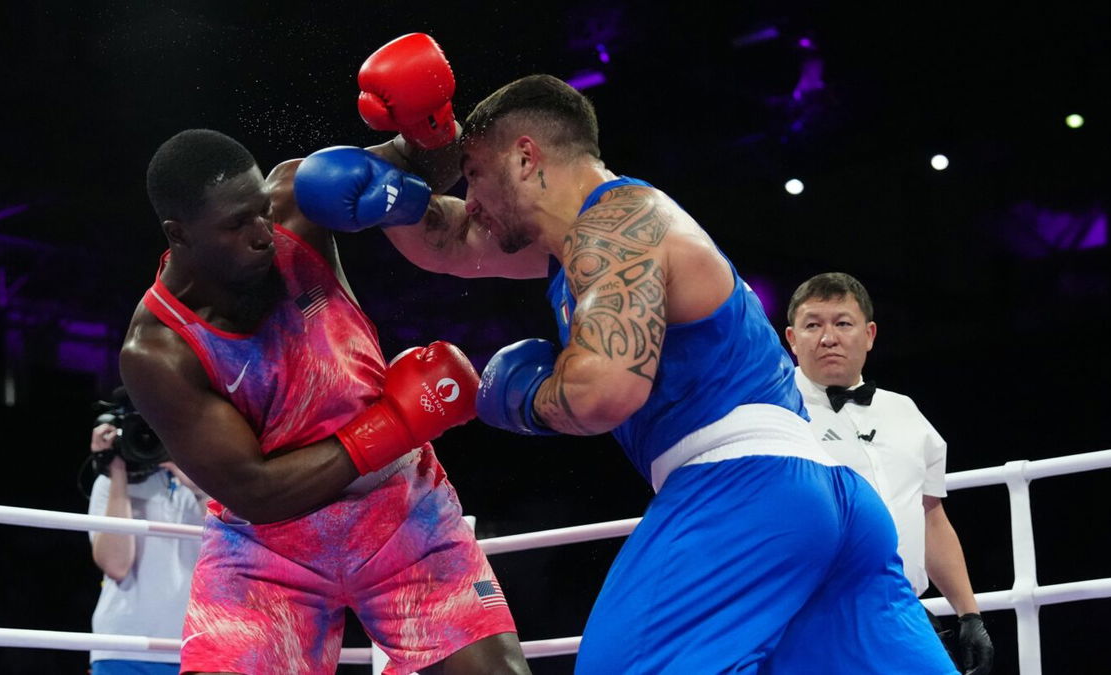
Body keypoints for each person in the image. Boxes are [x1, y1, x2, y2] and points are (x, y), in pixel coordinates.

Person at [294, 74, 957, 673]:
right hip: (828, 498)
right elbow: (454, 243)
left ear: (526, 158)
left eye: (474, 173)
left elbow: (604, 391)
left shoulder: (617, 227)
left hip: (746, 488)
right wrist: (390, 189)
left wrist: (519, 397)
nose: (470, 197)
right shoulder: (579, 240)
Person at [119, 35, 530, 675]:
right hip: (269, 550)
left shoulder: (294, 202)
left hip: (401, 512)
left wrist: (428, 124)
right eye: (236, 225)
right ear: (180, 235)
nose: (263, 235)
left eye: (260, 211)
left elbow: (430, 168)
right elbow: (253, 489)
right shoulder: (159, 348)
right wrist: (395, 422)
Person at [785, 272, 995, 674]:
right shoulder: (775, 414)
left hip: (902, 613)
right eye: (814, 324)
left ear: (869, 334)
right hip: (813, 613)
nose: (828, 337)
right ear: (793, 339)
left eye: (842, 323)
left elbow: (931, 515)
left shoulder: (907, 414)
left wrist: (969, 615)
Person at [87, 396, 206, 675]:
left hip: (194, 645)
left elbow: (228, 549)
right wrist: (116, 470)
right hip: (123, 644)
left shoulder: (202, 486)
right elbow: (117, 565)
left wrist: (189, 472)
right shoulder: (107, 485)